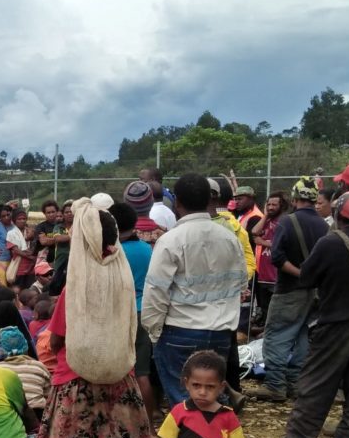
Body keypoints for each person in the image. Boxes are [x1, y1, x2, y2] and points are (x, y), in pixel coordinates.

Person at [28, 203, 153, 438]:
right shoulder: (123, 281)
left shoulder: (76, 288)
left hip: (75, 383)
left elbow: (58, 338)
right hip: (120, 380)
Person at [265, 192, 349, 438]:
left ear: (338, 212)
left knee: (316, 385)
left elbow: (307, 278)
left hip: (335, 323)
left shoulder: (329, 243)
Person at [141, 174, 247, 406]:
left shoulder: (171, 241)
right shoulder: (230, 238)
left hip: (180, 331)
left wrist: (153, 330)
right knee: (209, 402)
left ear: (177, 202)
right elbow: (241, 283)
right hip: (221, 333)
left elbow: (156, 292)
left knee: (186, 405)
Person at [249, 179, 329, 402]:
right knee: (302, 335)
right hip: (312, 292)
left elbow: (277, 257)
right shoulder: (324, 225)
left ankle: (275, 385)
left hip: (288, 290)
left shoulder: (287, 222)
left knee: (276, 336)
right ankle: (295, 383)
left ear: (294, 199)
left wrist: (299, 273)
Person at [109, 202, 156, 423]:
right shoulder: (147, 249)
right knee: (143, 372)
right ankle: (150, 426)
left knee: (121, 372)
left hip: (122, 314)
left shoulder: (115, 253)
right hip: (144, 311)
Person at [0, 325, 52, 412]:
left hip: (9, 415)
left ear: (2, 350)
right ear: (26, 346)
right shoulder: (39, 366)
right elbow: (49, 396)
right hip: (38, 413)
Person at [250, 191, 288, 320]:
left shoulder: (284, 221)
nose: (271, 207)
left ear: (282, 205)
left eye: (274, 204)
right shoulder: (266, 220)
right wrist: (265, 216)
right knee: (265, 308)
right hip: (263, 274)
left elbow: (285, 244)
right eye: (269, 204)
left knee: (275, 311)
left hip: (275, 275)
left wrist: (263, 242)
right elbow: (254, 231)